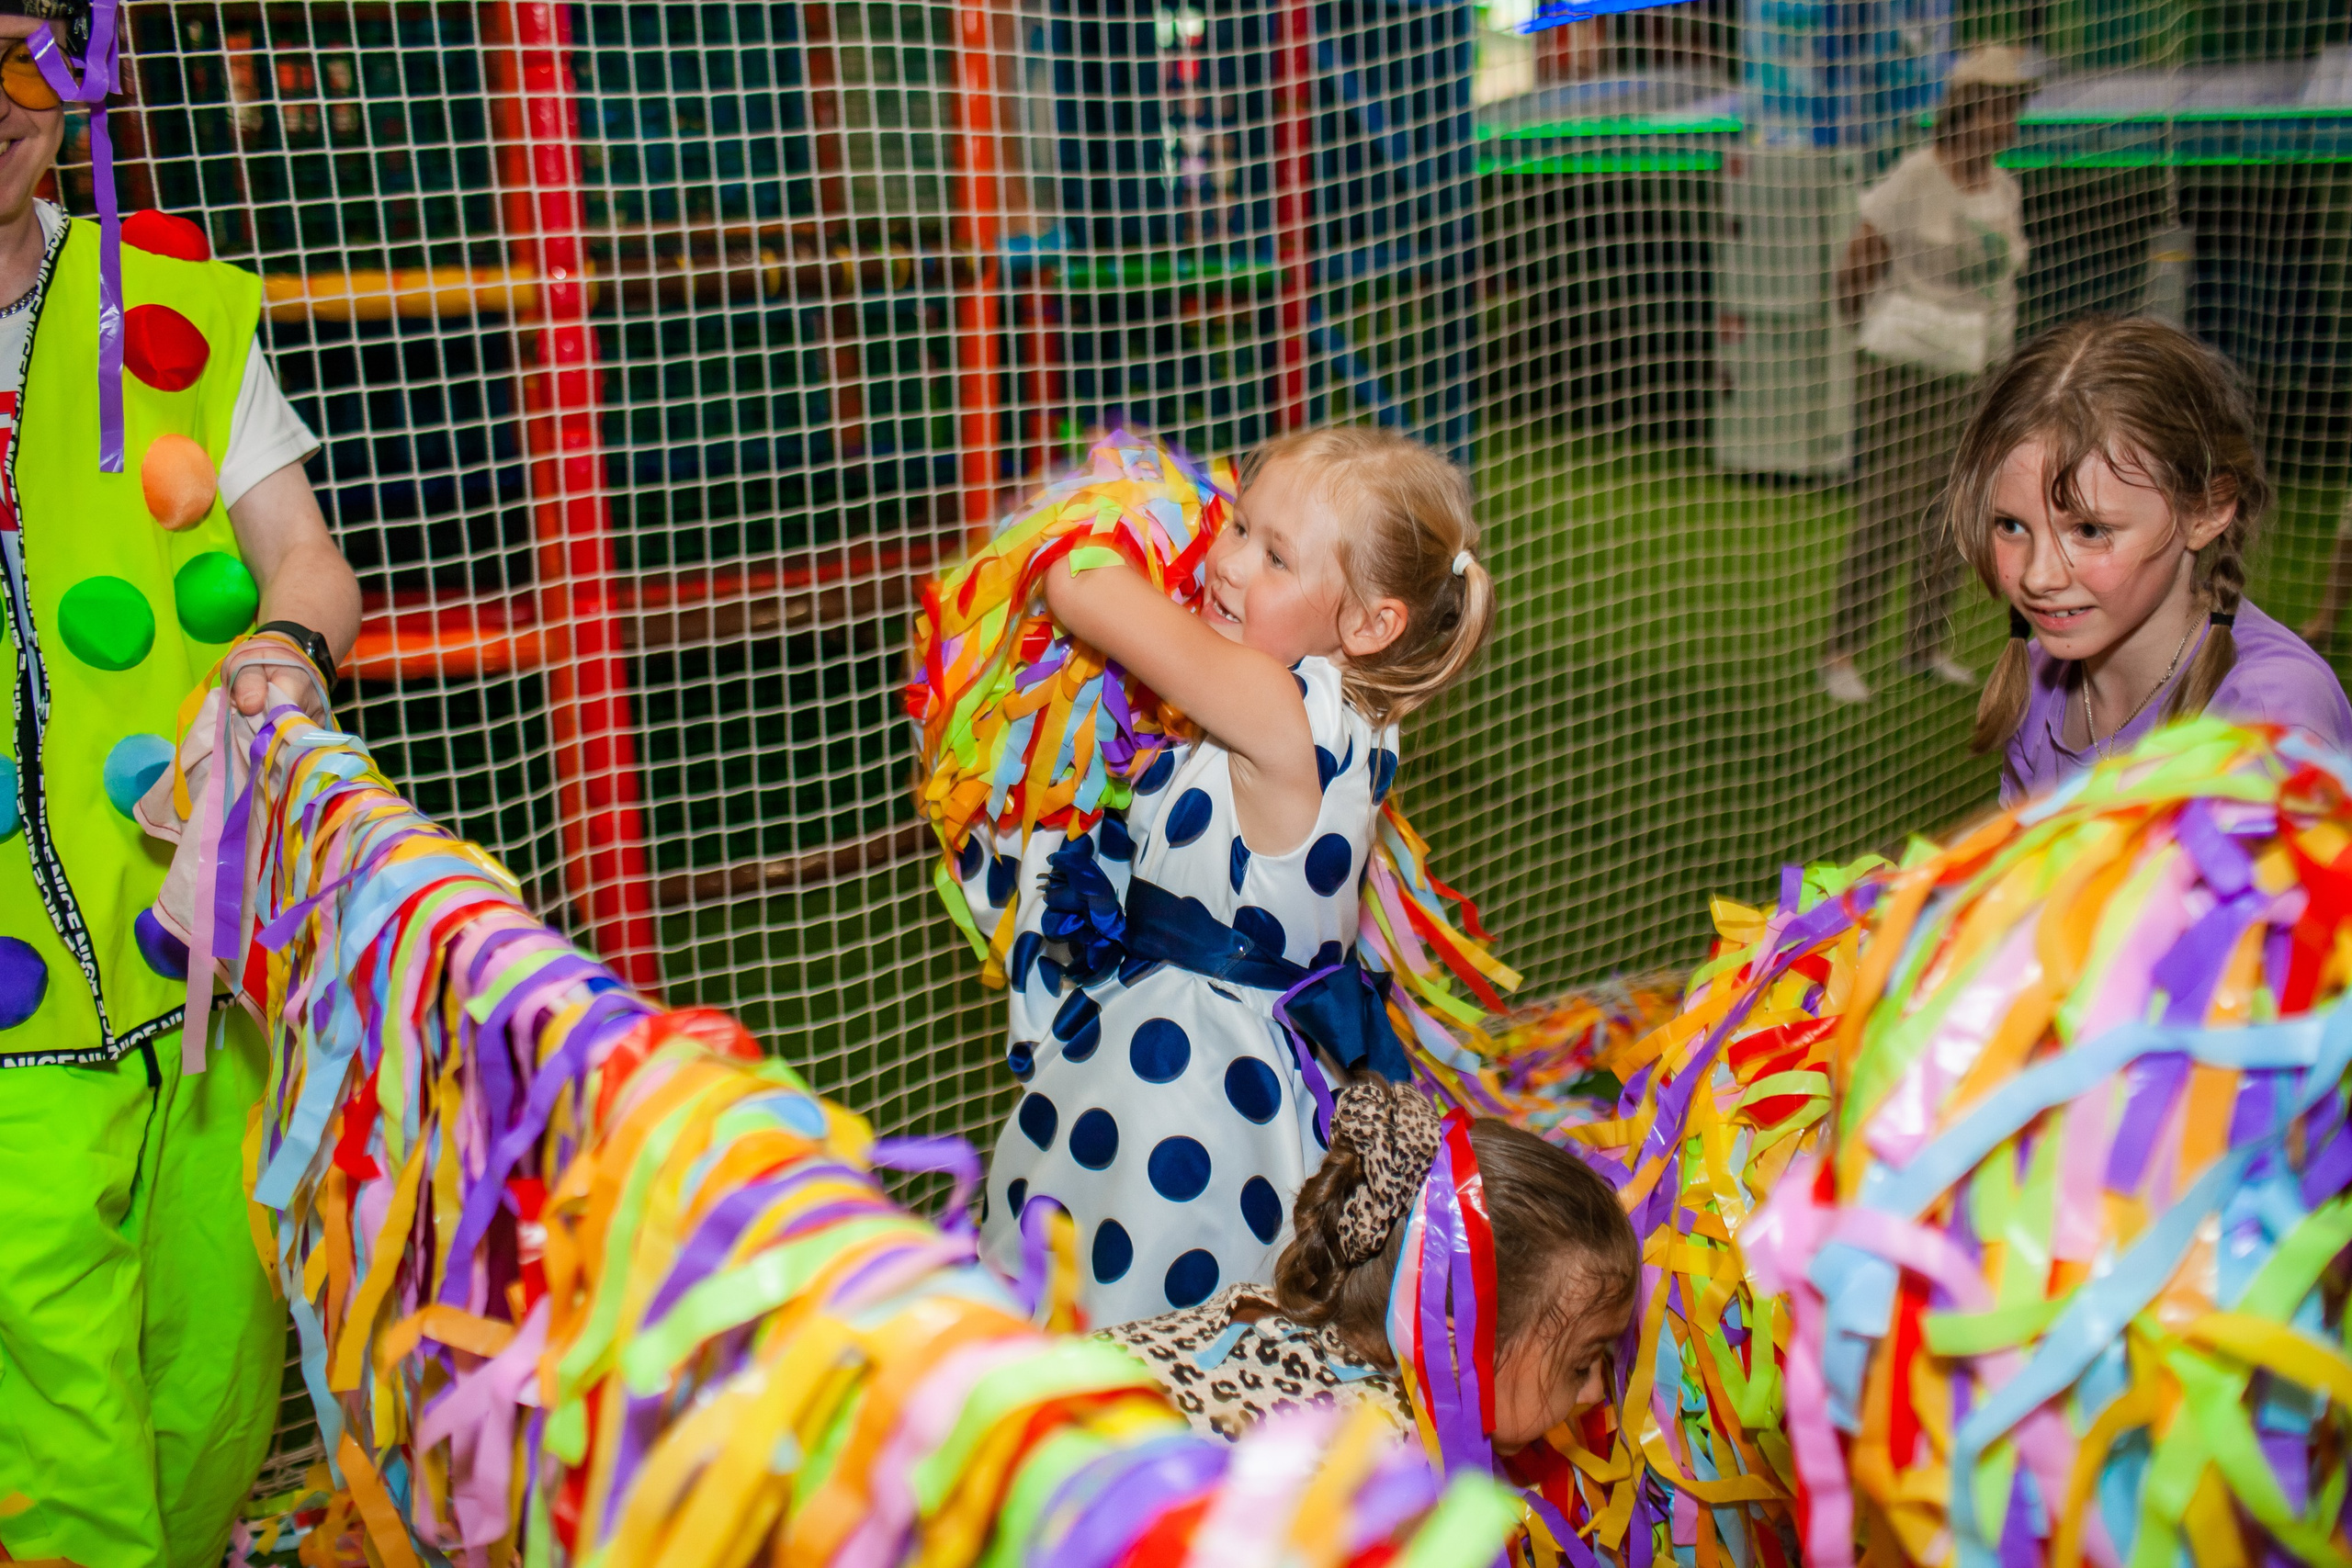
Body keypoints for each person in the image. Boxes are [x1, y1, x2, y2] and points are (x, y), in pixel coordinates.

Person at [0, 11, 361, 1567]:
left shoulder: (174, 318)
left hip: (202, 969)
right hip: (14, 1040)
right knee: (66, 1457)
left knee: (214, 1400)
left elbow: (306, 560)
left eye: (25, 55)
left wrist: (278, 654)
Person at [979, 424, 1494, 1326]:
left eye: (1277, 557)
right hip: (1204, 1059)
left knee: (1128, 1295)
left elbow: (1083, 589)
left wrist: (1076, 518)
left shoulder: (1282, 709)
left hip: (1186, 1091)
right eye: (1236, 526)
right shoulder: (1333, 713)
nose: (1227, 562)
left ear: (1372, 625)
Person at [1100, 1080, 1638, 1448]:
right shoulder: (1384, 1472)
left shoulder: (1257, 1311)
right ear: (1453, 1350)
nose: (1595, 1394)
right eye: (1580, 1363)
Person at [1949, 315, 2352, 802]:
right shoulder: (2040, 678)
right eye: (2011, 525)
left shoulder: (2271, 718)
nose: (2038, 576)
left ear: (2206, 510)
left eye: (2090, 530)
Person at [1821, 47, 2036, 705]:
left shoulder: (2003, 188)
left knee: (1952, 512)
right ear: (1966, 112)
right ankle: (1842, 652)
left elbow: (2002, 283)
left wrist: (2003, 368)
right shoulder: (1917, 174)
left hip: (1975, 367)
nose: (2005, 124)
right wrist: (1873, 329)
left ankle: (1924, 645)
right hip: (1904, 366)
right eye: (1996, 110)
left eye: (2011, 112)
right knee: (1886, 508)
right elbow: (1857, 262)